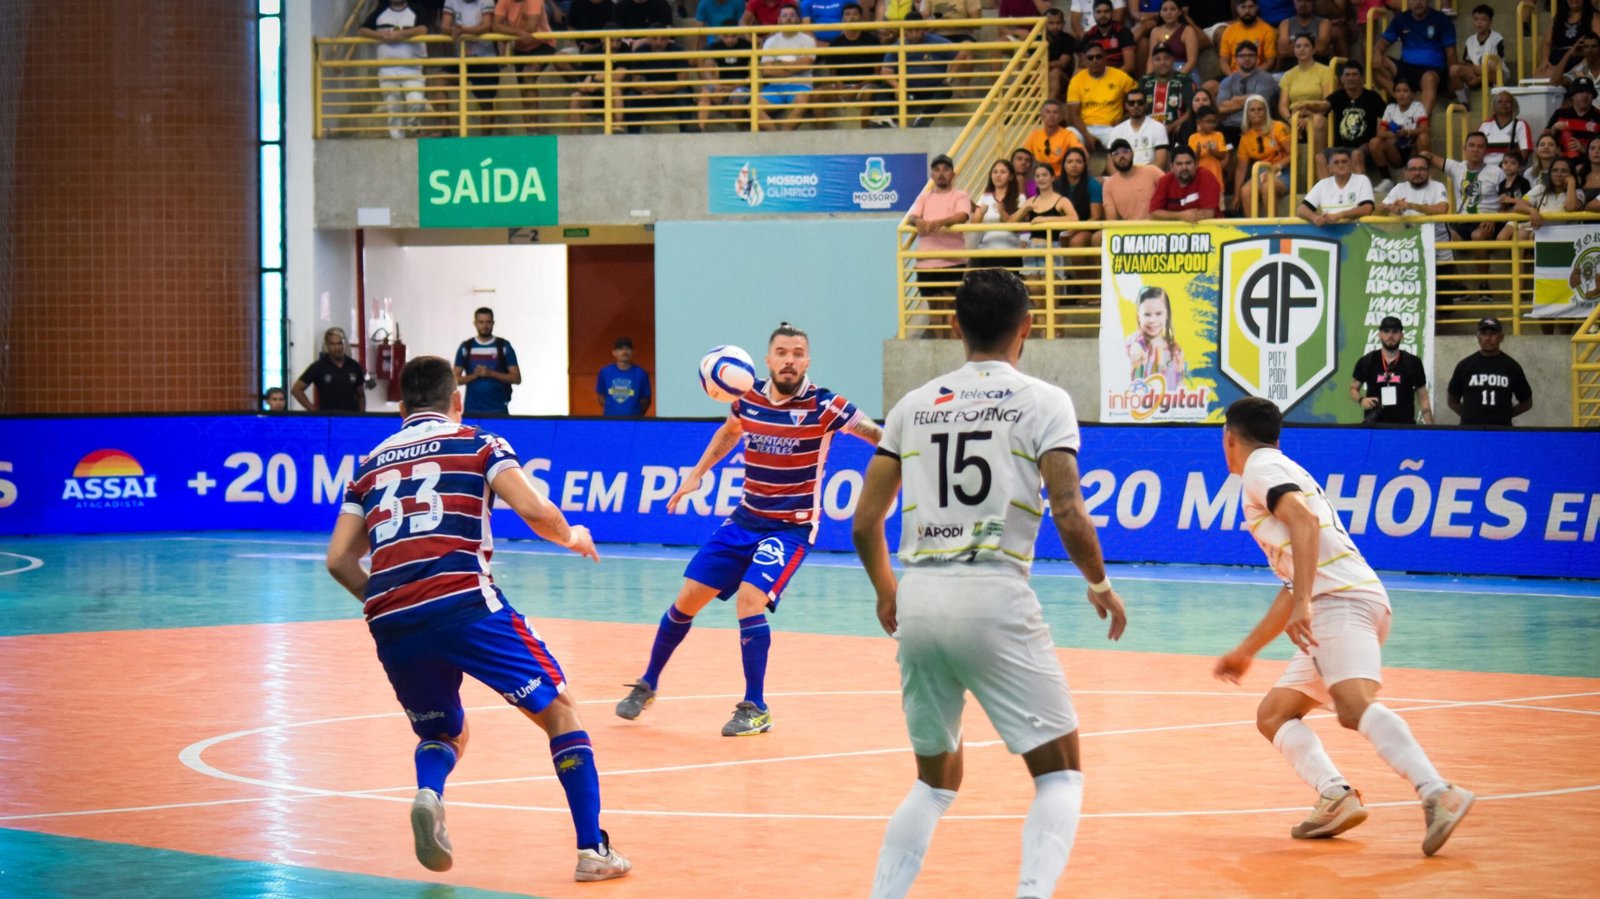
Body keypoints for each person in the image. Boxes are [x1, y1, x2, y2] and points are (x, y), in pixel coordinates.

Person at [853, 268, 1128, 899]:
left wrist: (887, 591)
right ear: (1026, 328)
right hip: (993, 594)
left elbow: (866, 522)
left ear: (955, 328)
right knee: (1059, 775)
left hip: (919, 598)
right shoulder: (1044, 401)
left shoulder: (911, 405)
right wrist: (1100, 582)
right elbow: (1067, 509)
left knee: (934, 783)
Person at [324, 355, 631, 882]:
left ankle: (429, 793)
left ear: (401, 405)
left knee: (443, 733)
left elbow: (337, 560)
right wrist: (574, 536)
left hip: (390, 618)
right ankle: (592, 852)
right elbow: (534, 510)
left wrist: (390, 600)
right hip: (463, 600)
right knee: (559, 710)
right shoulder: (477, 442)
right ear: (456, 401)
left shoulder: (368, 465)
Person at [1213, 396, 1474, 856]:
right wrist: (1248, 649)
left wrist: (1304, 604)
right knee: (1273, 714)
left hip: (1340, 603)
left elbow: (1305, 523)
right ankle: (1336, 795)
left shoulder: (1259, 468)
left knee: (1354, 707)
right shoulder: (1277, 464)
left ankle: (1437, 791)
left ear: (1229, 438)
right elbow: (1297, 569)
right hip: (1349, 598)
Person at [615, 323, 883, 734]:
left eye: (797, 353)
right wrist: (697, 474)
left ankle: (755, 706)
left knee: (749, 598)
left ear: (807, 360)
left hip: (791, 528)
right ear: (768, 359)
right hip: (745, 519)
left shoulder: (826, 405)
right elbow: (729, 431)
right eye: (781, 352)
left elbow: (876, 435)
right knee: (687, 599)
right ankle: (648, 683)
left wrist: (908, 459)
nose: (789, 359)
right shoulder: (749, 398)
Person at [906, 154, 973, 310]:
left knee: (951, 309)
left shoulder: (960, 195)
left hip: (953, 261)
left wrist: (940, 222)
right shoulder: (923, 197)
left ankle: (950, 336)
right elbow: (912, 216)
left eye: (945, 169)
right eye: (936, 170)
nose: (941, 173)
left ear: (953, 174)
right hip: (926, 263)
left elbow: (962, 216)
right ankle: (939, 336)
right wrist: (918, 221)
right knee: (934, 308)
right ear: (932, 175)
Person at [1372, 0, 1458, 118]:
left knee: (1429, 78)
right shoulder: (1401, 19)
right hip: (1407, 69)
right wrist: (1377, 53)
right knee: (1379, 62)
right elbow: (1383, 41)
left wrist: (1452, 80)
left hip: (1434, 71)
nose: (1418, 2)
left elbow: (1451, 52)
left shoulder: (1441, 19)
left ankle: (1421, 122)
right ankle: (1402, 99)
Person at [360, 0, 430, 139]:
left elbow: (423, 29)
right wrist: (381, 35)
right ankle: (397, 140)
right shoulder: (380, 10)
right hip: (386, 69)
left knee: (416, 101)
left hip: (412, 68)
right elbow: (362, 30)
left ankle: (413, 125)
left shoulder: (417, 9)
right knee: (393, 107)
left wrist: (400, 35)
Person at [1446, 317, 1533, 425]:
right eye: (1483, 333)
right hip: (1470, 431)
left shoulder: (1512, 366)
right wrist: (1468, 415)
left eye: (1493, 334)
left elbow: (1527, 402)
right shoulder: (1465, 365)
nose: (1488, 338)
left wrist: (1505, 415)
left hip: (1502, 432)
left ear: (1501, 337)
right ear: (1477, 337)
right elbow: (1452, 400)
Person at [1349, 315, 1434, 424]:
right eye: (1386, 331)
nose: (1390, 335)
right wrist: (1361, 401)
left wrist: (1431, 429)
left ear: (1402, 335)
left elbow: (1423, 399)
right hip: (1374, 427)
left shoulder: (1413, 362)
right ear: (1379, 334)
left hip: (1404, 427)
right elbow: (1353, 389)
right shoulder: (1367, 361)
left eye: (1395, 331)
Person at [1279, 33, 1333, 182]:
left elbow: (1328, 101)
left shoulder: (1325, 71)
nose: (1302, 49)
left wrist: (1310, 115)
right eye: (1298, 46)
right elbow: (1283, 105)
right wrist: (1291, 120)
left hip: (1318, 114)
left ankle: (1321, 177)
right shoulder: (1288, 75)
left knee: (1317, 122)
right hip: (1294, 118)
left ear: (1313, 50)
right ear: (1294, 50)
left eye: (1306, 46)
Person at [1381, 153, 1451, 267]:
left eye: (1421, 169)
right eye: (1412, 169)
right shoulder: (1399, 188)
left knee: (1444, 282)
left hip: (1438, 244)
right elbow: (1378, 212)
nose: (1417, 173)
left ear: (1429, 172)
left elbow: (1442, 209)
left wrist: (1410, 206)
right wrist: (1389, 207)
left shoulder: (1438, 186)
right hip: (1410, 245)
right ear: (1405, 173)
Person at [1066, 43, 1137, 150]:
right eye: (1090, 58)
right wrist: (1087, 135)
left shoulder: (1120, 77)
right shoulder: (1076, 81)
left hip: (1111, 128)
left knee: (1122, 140)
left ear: (1105, 58)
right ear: (1085, 61)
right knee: (1069, 134)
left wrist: (1124, 120)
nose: (1095, 60)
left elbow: (1138, 99)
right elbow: (1073, 114)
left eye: (1098, 57)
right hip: (1085, 128)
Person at [453, 307, 521, 415]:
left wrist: (490, 373)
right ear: (475, 323)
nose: (485, 326)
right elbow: (454, 380)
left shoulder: (503, 346)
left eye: (488, 322)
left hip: (498, 410)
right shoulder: (466, 347)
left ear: (493, 323)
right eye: (481, 322)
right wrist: (475, 375)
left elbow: (516, 378)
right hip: (471, 410)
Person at [1328, 61, 1387, 177]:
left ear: (1362, 78)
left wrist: (1373, 142)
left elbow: (1386, 121)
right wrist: (1307, 107)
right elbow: (1323, 106)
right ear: (1341, 78)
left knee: (1356, 153)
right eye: (1347, 75)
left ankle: (1364, 191)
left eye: (1355, 74)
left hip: (1366, 148)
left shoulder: (1373, 97)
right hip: (1340, 148)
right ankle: (1327, 192)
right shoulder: (1337, 96)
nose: (1351, 78)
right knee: (1320, 157)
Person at [1235, 94, 1291, 214]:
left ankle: (1274, 228)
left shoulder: (1277, 127)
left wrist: (1275, 168)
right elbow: (1241, 169)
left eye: (1260, 109)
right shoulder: (1245, 137)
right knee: (1245, 191)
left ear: (1266, 111)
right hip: (1259, 173)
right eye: (1252, 110)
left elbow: (1295, 154)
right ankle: (1254, 230)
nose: (1256, 113)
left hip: (1281, 172)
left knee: (1267, 187)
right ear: (1247, 114)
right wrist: (1235, 195)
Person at [1216, 41, 1278, 144]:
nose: (1247, 58)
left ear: (1257, 58)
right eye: (1242, 56)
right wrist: (1251, 99)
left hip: (1257, 125)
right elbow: (1221, 107)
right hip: (1231, 126)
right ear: (1236, 59)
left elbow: (1260, 102)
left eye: (1250, 55)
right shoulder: (1227, 81)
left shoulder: (1266, 78)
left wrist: (1234, 99)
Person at [292, 327, 367, 412]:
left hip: (350, 418)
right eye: (333, 344)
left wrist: (361, 417)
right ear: (327, 345)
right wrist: (313, 410)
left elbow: (361, 395)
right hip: (328, 418)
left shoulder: (354, 366)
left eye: (339, 343)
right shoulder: (319, 366)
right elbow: (296, 389)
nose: (337, 347)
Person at [971, 159, 1027, 272]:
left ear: (1011, 176)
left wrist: (1002, 212)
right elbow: (974, 225)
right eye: (995, 172)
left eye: (1002, 172)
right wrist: (980, 213)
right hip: (986, 252)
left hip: (1010, 252)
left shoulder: (1020, 198)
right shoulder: (984, 197)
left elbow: (1017, 228)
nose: (998, 175)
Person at [1372, 78, 1429, 185]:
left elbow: (1425, 128)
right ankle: (1387, 180)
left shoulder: (1417, 107)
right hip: (1396, 152)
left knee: (1424, 137)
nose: (1401, 94)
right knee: (1375, 142)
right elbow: (1380, 133)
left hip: (1413, 148)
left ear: (1412, 94)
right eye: (1398, 91)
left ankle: (1424, 170)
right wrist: (1395, 134)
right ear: (1394, 94)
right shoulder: (1390, 108)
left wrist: (1407, 132)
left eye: (1405, 91)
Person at [1125, 285, 1188, 381]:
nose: (1152, 320)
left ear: (1167, 314)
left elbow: (1180, 381)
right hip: (1144, 395)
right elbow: (1133, 348)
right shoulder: (1137, 343)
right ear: (1138, 317)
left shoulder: (1174, 349)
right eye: (1147, 314)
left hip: (1171, 395)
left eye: (1158, 314)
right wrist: (1135, 350)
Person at [1298, 146, 1375, 224]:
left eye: (1344, 161)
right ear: (1329, 168)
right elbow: (1301, 209)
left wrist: (1340, 215)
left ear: (1351, 164)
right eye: (1336, 162)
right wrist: (1315, 218)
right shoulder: (1322, 184)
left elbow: (1367, 208)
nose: (1341, 165)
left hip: (1356, 231)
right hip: (1329, 232)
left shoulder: (1362, 180)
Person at [1149, 145, 1223, 221]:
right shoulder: (1164, 181)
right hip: (1176, 231)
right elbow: (1153, 213)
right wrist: (1180, 216)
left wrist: (1175, 216)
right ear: (1171, 167)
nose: (1184, 168)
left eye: (1188, 163)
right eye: (1179, 164)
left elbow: (1208, 214)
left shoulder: (1205, 176)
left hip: (1210, 230)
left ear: (1196, 164)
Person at [1102, 137, 1167, 220]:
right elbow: (1111, 220)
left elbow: (1171, 188)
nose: (1121, 156)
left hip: (1157, 227)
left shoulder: (1152, 171)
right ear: (1112, 158)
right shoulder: (1108, 184)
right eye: (1116, 153)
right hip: (1129, 230)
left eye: (1125, 151)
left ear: (1132, 154)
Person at [1452, 4, 1506, 102]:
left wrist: (1478, 79)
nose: (1479, 23)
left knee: (1491, 64)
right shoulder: (1470, 40)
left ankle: (1497, 96)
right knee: (1454, 69)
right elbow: (1467, 62)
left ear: (1490, 22)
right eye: (1476, 19)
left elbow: (1499, 62)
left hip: (1493, 75)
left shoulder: (1497, 38)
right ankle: (1463, 101)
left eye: (1483, 19)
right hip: (1475, 72)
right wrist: (1474, 69)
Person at [1141, 43, 1195, 141]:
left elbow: (1190, 111)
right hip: (1147, 132)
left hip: (1175, 131)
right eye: (1157, 59)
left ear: (1173, 60)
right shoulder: (1144, 81)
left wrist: (1171, 127)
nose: (1162, 62)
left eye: (1166, 58)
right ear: (1152, 62)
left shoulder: (1183, 80)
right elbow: (1137, 108)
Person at [1108, 87, 1172, 168]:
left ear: (1146, 105)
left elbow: (1161, 161)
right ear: (1126, 106)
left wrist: (1141, 177)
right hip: (1124, 176)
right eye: (1131, 103)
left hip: (1150, 175)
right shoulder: (1117, 130)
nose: (1136, 106)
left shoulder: (1158, 127)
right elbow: (1110, 163)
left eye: (1140, 102)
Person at [1024, 100, 1086, 177]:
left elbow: (1083, 154)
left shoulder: (1068, 135)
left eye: (1055, 112)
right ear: (1041, 116)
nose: (1051, 115)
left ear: (1061, 117)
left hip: (1061, 178)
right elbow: (1024, 155)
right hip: (1040, 177)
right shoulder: (1035, 135)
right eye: (1048, 112)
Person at [596, 337, 652, 416]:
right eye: (620, 349)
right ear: (614, 353)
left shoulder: (641, 374)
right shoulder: (605, 372)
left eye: (628, 348)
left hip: (633, 422)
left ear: (633, 352)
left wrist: (636, 415)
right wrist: (612, 409)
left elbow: (646, 400)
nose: (624, 352)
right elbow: (601, 396)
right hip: (610, 421)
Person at [1548, 78, 1600, 162]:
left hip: (1589, 165)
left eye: (1589, 92)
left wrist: (1583, 149)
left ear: (1593, 96)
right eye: (1580, 92)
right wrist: (1554, 128)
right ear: (1572, 95)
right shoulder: (1560, 113)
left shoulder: (1598, 116)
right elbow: (1543, 141)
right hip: (1561, 164)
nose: (1585, 96)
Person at [1480, 89, 1534, 168]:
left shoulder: (1521, 125)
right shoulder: (1484, 125)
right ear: (1494, 106)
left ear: (1513, 105)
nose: (1504, 103)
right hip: (1486, 169)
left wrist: (1511, 168)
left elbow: (1525, 151)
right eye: (1500, 101)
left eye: (1508, 101)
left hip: (1509, 170)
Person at [1083, 0, 1140, 75]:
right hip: (1097, 74)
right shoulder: (1088, 36)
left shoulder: (1123, 32)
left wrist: (1109, 77)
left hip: (1119, 74)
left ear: (1112, 13)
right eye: (1099, 12)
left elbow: (1129, 65)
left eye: (1106, 11)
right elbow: (1084, 64)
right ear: (1093, 14)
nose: (1103, 15)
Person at [1277, 0, 1331, 68]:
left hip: (1317, 69)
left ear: (1313, 2)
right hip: (1291, 70)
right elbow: (1283, 51)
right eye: (1299, 0)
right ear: (1294, 2)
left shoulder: (1324, 22)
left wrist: (1293, 45)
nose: (1303, 4)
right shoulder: (1285, 24)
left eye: (1307, 1)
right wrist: (1312, 45)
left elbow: (1322, 48)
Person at [1189, 106, 1231, 191]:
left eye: (1214, 122)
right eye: (1208, 122)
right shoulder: (1193, 138)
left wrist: (1212, 152)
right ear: (1199, 122)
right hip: (1199, 180)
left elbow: (1223, 156)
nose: (1212, 125)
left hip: (1216, 178)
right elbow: (1192, 160)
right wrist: (1197, 152)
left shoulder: (1218, 135)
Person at [1044, 8, 1081, 100]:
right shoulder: (1037, 39)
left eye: (1058, 23)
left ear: (1063, 24)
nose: (1055, 27)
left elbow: (1062, 64)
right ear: (1044, 24)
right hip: (1041, 76)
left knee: (1055, 72)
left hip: (1063, 79)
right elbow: (1031, 63)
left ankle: (1048, 107)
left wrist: (1042, 65)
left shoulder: (1068, 39)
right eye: (1051, 23)